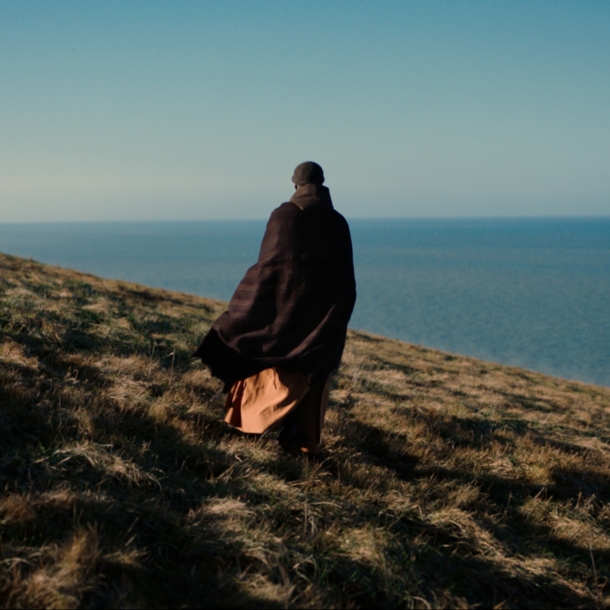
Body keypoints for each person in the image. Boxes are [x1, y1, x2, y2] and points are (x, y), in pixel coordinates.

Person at [193, 162, 356, 455]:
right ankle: (304, 442)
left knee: (272, 366)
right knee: (311, 375)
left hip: (284, 312)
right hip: (323, 319)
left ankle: (254, 427)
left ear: (295, 184)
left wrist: (251, 300)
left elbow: (269, 266)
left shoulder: (284, 216)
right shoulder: (338, 222)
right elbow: (344, 279)